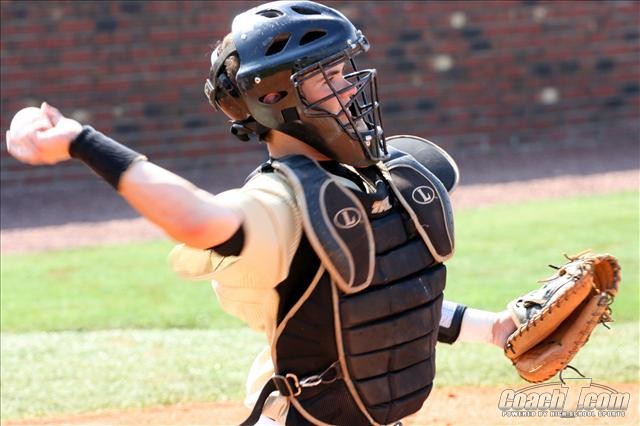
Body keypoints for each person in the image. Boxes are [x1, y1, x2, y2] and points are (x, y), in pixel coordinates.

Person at [6, 1, 517, 425]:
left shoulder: (378, 179)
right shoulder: (278, 203)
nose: (350, 88)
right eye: (327, 78)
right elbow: (196, 220)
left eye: (344, 71)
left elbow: (388, 298)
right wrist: (81, 141)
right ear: (275, 98)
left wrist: (493, 328)